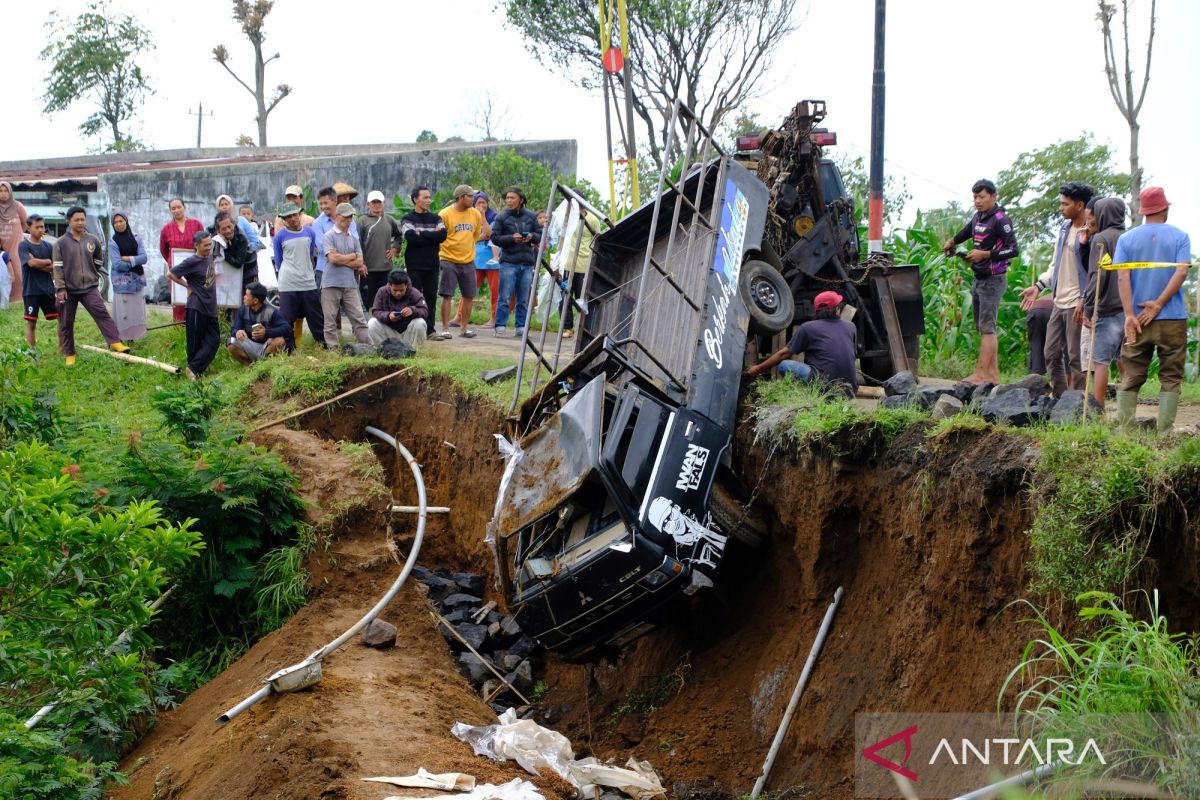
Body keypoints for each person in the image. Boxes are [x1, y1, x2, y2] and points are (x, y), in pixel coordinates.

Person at [1114, 187, 1191, 433]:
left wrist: (1128, 315)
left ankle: (1126, 431)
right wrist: (1158, 304)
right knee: (1171, 376)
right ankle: (1165, 433)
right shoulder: (1181, 236)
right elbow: (1181, 271)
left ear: (1143, 211)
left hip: (1137, 319)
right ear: (1165, 209)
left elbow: (1122, 277)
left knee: (1132, 373)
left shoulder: (1126, 239)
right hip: (1173, 319)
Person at [1018, 182, 1094, 396]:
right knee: (1050, 353)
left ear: (1080, 205)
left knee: (1075, 356)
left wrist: (1084, 298)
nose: (1061, 208)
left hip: (1077, 302)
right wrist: (1039, 286)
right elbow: (1055, 264)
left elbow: (1093, 272)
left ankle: (1078, 401)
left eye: (1065, 204)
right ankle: (1061, 397)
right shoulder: (1064, 229)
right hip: (1059, 300)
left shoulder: (1090, 233)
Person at [941, 179, 1019, 385]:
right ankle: (992, 376)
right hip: (979, 278)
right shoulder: (978, 218)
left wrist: (985, 254)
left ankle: (980, 374)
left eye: (982, 196)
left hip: (994, 279)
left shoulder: (1001, 220)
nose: (977, 201)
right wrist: (952, 243)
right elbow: (965, 232)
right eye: (975, 197)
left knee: (987, 328)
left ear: (993, 197)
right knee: (983, 327)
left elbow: (1013, 250)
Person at [745, 290, 859, 396]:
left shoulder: (808, 328)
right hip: (850, 390)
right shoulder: (851, 326)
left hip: (823, 387)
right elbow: (851, 356)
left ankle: (804, 394)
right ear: (837, 308)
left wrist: (758, 368)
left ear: (817, 310)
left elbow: (784, 354)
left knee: (784, 365)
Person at [51, 207, 128, 366]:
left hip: (89, 288)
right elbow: (57, 268)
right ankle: (70, 353)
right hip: (69, 290)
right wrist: (61, 288)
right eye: (76, 220)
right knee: (66, 322)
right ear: (69, 222)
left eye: (82, 219)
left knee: (102, 313)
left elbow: (99, 259)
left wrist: (92, 270)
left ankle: (114, 341)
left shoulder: (92, 240)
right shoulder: (60, 243)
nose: (80, 222)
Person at [1079, 196, 1127, 411]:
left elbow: (1098, 275)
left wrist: (1088, 306)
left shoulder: (1101, 239)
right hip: (1130, 308)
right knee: (1124, 359)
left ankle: (1098, 411)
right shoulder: (1129, 237)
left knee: (1100, 362)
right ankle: (1127, 408)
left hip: (1107, 308)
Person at [437, 184, 488, 339]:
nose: (473, 199)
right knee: (447, 295)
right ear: (460, 197)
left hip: (468, 260)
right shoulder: (445, 214)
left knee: (469, 295)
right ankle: (445, 328)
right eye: (470, 196)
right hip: (448, 259)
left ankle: (464, 328)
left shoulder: (475, 214)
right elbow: (439, 237)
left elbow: (475, 235)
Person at [168, 231, 220, 380]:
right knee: (195, 343)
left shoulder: (209, 257)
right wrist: (187, 285)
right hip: (196, 306)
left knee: (214, 340)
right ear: (196, 246)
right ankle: (194, 372)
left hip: (210, 306)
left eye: (210, 244)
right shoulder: (192, 261)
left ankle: (193, 368)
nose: (209, 247)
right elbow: (171, 274)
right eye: (205, 245)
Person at [491, 186, 542, 336]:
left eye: (512, 198)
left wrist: (531, 237)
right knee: (504, 297)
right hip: (508, 262)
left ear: (521, 199)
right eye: (507, 198)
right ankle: (500, 326)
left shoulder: (531, 216)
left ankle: (521, 327)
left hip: (526, 263)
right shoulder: (501, 217)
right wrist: (511, 238)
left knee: (523, 298)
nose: (509, 200)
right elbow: (494, 238)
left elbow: (539, 234)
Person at [273, 202, 324, 346]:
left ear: (300, 215)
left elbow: (309, 254)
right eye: (288, 217)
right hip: (288, 283)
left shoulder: (310, 232)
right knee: (287, 320)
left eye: (295, 215)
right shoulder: (279, 236)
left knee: (316, 318)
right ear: (284, 219)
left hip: (308, 282)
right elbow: (279, 261)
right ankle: (289, 350)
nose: (293, 219)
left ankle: (324, 346)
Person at [320, 202, 371, 348]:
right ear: (337, 217)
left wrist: (342, 258)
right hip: (331, 283)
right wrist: (351, 256)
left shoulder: (353, 238)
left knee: (359, 318)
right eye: (346, 217)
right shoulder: (329, 236)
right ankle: (333, 350)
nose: (349, 220)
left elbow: (360, 262)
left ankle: (368, 347)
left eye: (351, 217)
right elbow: (332, 259)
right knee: (330, 320)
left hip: (349, 283)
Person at [401, 186, 447, 339]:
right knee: (414, 297)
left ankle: (430, 330)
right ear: (415, 199)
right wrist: (431, 234)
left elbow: (442, 235)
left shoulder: (436, 218)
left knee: (431, 298)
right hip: (414, 265)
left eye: (429, 197)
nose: (429, 200)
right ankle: (414, 329)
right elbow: (410, 237)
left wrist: (420, 233)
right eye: (425, 197)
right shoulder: (407, 218)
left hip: (432, 264)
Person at [158, 198, 205, 322]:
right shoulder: (166, 229)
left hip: (196, 269)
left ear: (184, 207)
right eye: (173, 208)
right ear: (170, 211)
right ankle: (178, 334)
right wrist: (172, 262)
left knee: (196, 299)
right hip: (177, 273)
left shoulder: (196, 224)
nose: (177, 210)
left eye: (179, 207)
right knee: (179, 305)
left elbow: (203, 244)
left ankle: (196, 330)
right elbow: (164, 250)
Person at [227, 281, 293, 364]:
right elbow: (234, 328)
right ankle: (250, 366)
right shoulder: (243, 310)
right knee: (231, 343)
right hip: (250, 345)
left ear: (255, 300)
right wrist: (237, 331)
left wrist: (266, 333)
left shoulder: (271, 312)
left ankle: (265, 364)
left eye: (247, 295)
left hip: (267, 346)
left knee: (279, 341)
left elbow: (287, 329)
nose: (244, 297)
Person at [359, 189, 403, 313]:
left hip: (385, 268)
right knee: (366, 301)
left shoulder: (389, 220)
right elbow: (357, 243)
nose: (376, 205)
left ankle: (382, 324)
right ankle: (363, 327)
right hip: (368, 269)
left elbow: (399, 236)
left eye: (379, 202)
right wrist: (361, 263)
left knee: (384, 300)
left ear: (384, 203)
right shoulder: (362, 221)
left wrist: (395, 249)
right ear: (368, 204)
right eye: (373, 202)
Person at [108, 211, 148, 341]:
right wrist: (134, 262)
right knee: (124, 311)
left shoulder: (136, 238)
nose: (118, 224)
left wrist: (128, 258)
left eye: (121, 221)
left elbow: (144, 258)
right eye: (115, 222)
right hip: (122, 283)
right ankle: (122, 338)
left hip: (137, 281)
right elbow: (117, 264)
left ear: (126, 221)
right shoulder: (113, 242)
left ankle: (137, 338)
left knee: (137, 310)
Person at [19, 214, 58, 350]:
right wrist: (46, 262)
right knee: (31, 323)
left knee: (61, 318)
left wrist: (41, 263)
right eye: (37, 227)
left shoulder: (49, 246)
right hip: (31, 290)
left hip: (48, 289)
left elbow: (54, 266)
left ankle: (63, 348)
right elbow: (31, 263)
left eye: (42, 227)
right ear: (29, 228)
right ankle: (33, 353)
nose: (41, 230)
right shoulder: (23, 245)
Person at [368, 269, 429, 351]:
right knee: (372, 323)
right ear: (390, 285)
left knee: (420, 323)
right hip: (389, 332)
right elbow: (375, 311)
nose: (398, 293)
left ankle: (413, 351)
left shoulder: (414, 293)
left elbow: (425, 311)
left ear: (406, 285)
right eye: (395, 290)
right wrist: (388, 316)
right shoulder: (382, 292)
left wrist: (413, 310)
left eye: (401, 290)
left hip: (408, 333)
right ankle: (385, 350)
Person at [466, 191, 500, 327]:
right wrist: (477, 238)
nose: (481, 205)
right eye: (478, 203)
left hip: (492, 258)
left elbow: (488, 234)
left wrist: (483, 216)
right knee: (469, 288)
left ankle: (494, 319)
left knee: (495, 290)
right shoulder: (469, 215)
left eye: (483, 203)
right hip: (476, 257)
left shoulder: (494, 216)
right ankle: (460, 316)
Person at [313, 186, 357, 288]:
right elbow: (323, 249)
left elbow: (355, 244)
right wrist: (349, 256)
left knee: (351, 302)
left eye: (325, 203)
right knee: (327, 303)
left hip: (348, 272)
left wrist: (338, 256)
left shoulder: (350, 220)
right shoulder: (317, 224)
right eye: (321, 204)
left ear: (335, 201)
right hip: (325, 271)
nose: (323, 207)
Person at [210, 211, 259, 290]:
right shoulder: (216, 239)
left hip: (248, 270)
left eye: (229, 226)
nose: (228, 231)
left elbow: (238, 263)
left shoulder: (241, 238)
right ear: (218, 231)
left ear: (234, 223)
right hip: (228, 274)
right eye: (224, 229)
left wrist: (222, 250)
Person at [0, 180, 29, 302]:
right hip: (2, 249)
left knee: (18, 273)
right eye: (0, 191)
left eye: (6, 191)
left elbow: (26, 223)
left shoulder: (18, 206)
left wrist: (18, 235)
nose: (3, 194)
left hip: (17, 246)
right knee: (3, 275)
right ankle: (5, 301)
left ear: (10, 192)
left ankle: (18, 302)